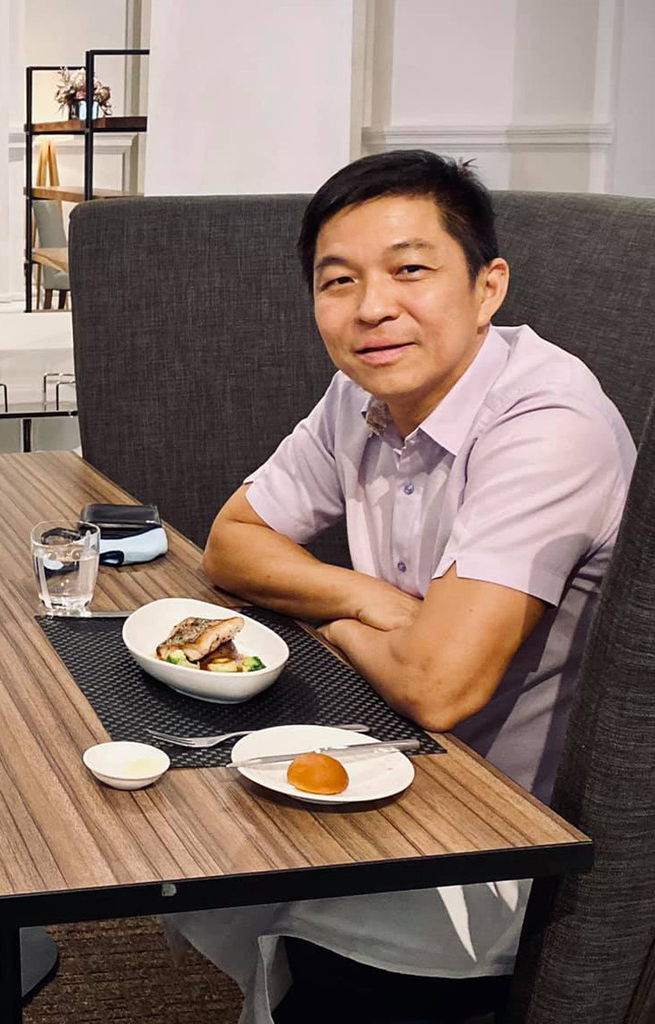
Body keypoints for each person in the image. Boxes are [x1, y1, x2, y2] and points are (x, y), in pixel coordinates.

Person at [170, 150, 636, 1023]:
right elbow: (232, 544)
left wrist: (347, 623)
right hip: (373, 755)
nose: (373, 307)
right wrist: (365, 599)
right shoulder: (361, 392)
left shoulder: (547, 423)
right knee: (164, 807)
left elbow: (439, 685)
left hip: (493, 836)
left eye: (411, 270)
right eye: (337, 280)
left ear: (488, 287)